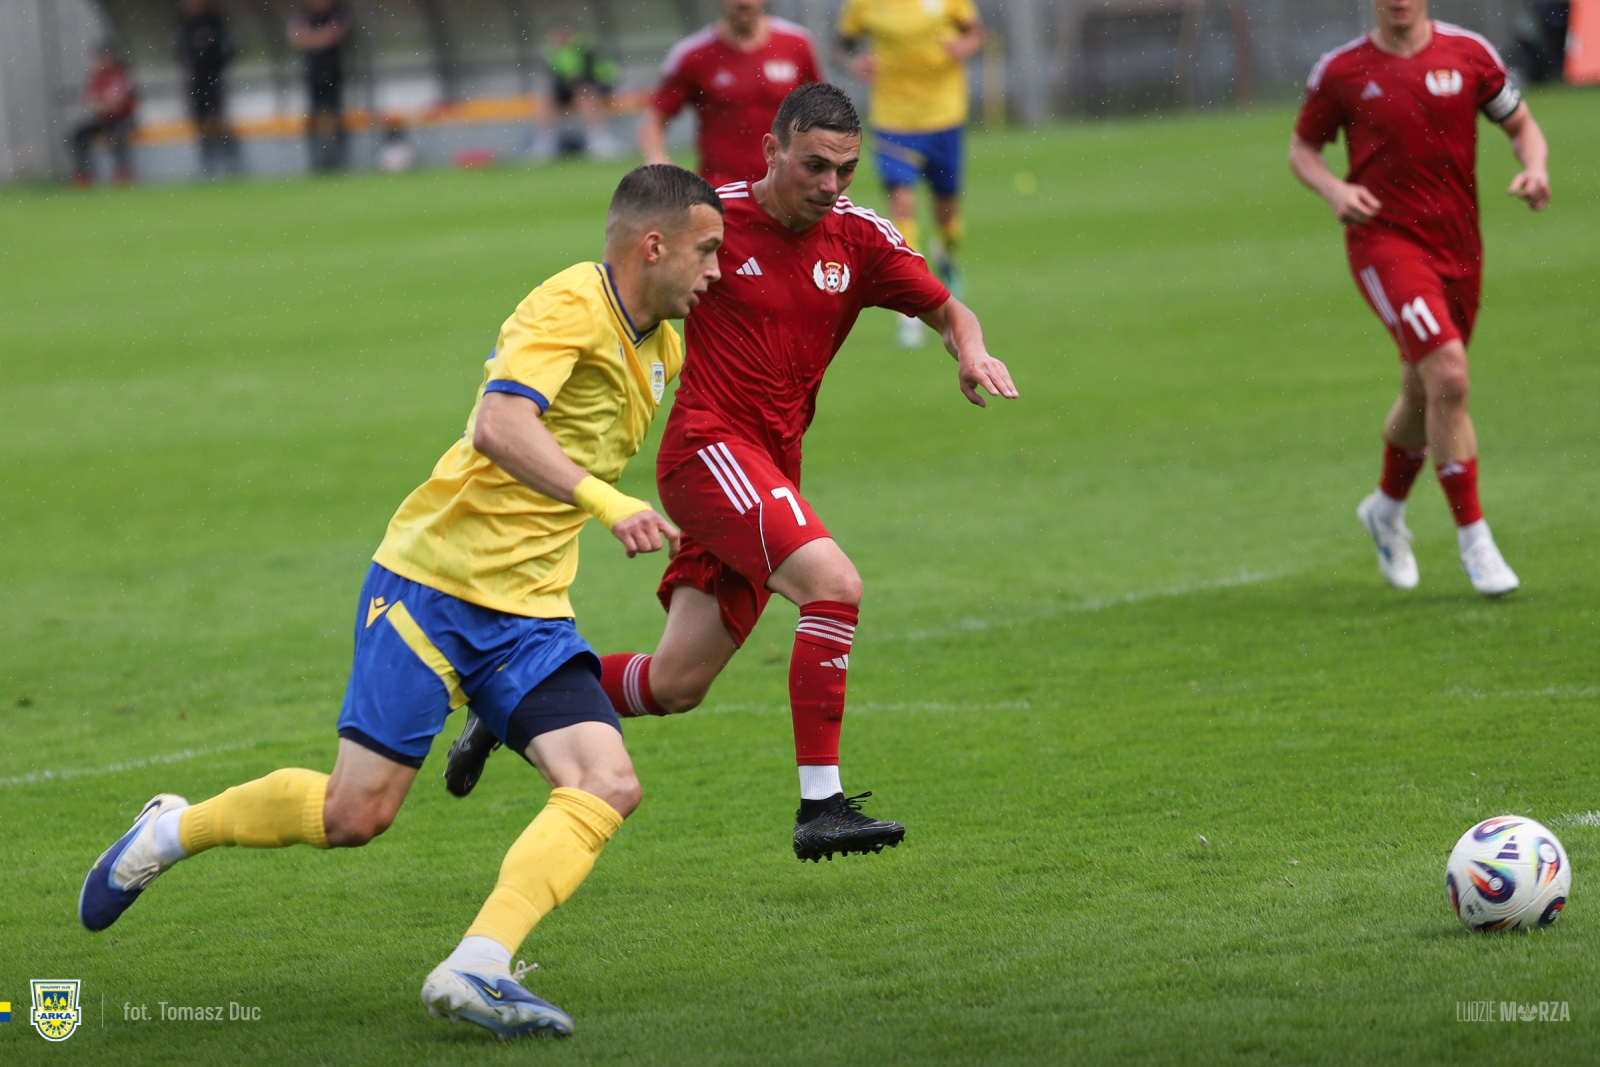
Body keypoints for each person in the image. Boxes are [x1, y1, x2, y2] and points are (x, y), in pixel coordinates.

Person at [77, 166, 725, 1040]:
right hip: (433, 587)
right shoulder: (569, 306)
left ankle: (479, 963)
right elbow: (499, 424)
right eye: (706, 250)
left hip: (531, 613)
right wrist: (608, 504)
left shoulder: (663, 346)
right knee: (355, 815)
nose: (716, 270)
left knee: (606, 781)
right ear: (653, 246)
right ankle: (169, 830)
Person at [446, 84, 1018, 864]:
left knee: (675, 683)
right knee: (834, 584)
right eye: (814, 165)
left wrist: (970, 348)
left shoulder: (860, 237)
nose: (831, 184)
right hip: (708, 450)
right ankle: (822, 805)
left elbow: (949, 309)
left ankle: (507, 695)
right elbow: (631, 277)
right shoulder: (712, 225)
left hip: (771, 468)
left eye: (845, 169)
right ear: (772, 150)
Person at [1289, 0, 1549, 597]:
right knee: (1450, 376)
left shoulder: (1470, 54)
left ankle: (1384, 510)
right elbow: (1302, 149)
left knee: (1423, 390)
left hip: (1458, 247)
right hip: (1384, 242)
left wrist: (1535, 168)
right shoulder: (1342, 71)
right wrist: (1334, 190)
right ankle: (1475, 540)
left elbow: (1521, 126)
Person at [837, 0, 981, 347]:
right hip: (893, 120)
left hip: (943, 115)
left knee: (947, 211)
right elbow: (840, 46)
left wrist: (963, 47)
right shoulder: (864, 5)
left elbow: (974, 33)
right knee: (902, 205)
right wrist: (854, 62)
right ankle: (911, 306)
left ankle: (945, 253)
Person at [638, 0, 822, 190]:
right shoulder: (692, 54)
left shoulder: (797, 43)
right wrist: (658, 159)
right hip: (724, 189)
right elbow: (655, 120)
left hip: (786, 185)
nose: (744, 2)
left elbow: (821, 110)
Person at [533, 25, 621, 161]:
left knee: (585, 96)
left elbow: (595, 72)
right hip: (568, 90)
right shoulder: (552, 52)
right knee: (544, 99)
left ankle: (598, 139)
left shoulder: (585, 48)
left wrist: (586, 84)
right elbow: (557, 78)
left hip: (592, 87)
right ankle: (546, 142)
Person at [288, 0, 350, 173]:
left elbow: (334, 34)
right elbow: (296, 36)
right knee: (315, 117)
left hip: (333, 75)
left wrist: (313, 38)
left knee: (333, 115)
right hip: (313, 77)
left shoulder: (337, 16)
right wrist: (320, 37)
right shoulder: (304, 17)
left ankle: (336, 158)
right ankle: (319, 160)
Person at [179, 0, 240, 175]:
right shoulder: (184, 26)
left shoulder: (214, 23)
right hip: (196, 81)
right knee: (201, 122)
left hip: (213, 80)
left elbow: (228, 49)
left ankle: (231, 159)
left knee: (218, 119)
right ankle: (208, 162)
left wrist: (215, 65)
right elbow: (181, 53)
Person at [71, 45, 138, 187]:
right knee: (78, 135)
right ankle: (84, 174)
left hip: (123, 119)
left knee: (119, 136)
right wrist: (104, 104)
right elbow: (89, 102)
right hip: (103, 120)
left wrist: (102, 104)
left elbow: (116, 104)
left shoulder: (120, 75)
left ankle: (122, 173)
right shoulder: (95, 77)